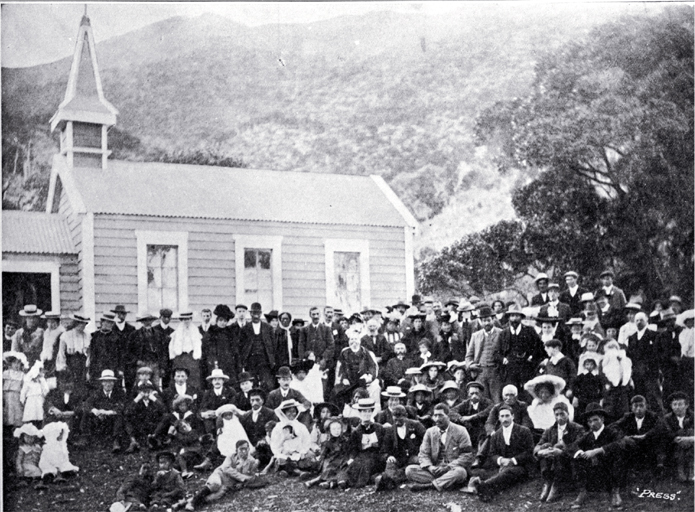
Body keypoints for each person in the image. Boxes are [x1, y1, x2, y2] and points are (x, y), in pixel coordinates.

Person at [466, 405, 535, 502]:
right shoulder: (496, 435)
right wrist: (501, 460)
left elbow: (529, 452)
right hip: (503, 466)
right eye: (502, 416)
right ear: (498, 418)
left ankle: (483, 486)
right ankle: (486, 486)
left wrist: (512, 461)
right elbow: (492, 454)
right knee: (479, 471)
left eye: (507, 416)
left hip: (521, 466)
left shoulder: (524, 431)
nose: (505, 419)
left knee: (508, 472)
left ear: (513, 416)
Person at [569, 403, 626, 509]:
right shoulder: (588, 435)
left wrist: (597, 451)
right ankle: (583, 491)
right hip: (594, 472)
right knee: (576, 457)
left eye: (595, 420)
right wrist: (582, 453)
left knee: (618, 455)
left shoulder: (611, 432)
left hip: (610, 471)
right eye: (589, 421)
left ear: (602, 419)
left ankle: (615, 492)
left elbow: (621, 443)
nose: (592, 424)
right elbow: (573, 446)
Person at [405, 402, 472, 492]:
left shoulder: (460, 430)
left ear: (448, 416)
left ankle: (429, 485)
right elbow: (423, 453)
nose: (437, 419)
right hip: (435, 470)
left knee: (461, 472)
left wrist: (448, 467)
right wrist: (429, 467)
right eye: (435, 416)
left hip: (452, 468)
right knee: (409, 470)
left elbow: (466, 455)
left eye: (440, 415)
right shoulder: (430, 432)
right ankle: (447, 483)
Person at [186, 439, 264, 510]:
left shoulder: (251, 461)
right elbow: (226, 469)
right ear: (236, 450)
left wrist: (241, 483)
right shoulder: (231, 457)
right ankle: (192, 503)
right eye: (241, 449)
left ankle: (193, 500)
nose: (244, 451)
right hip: (220, 475)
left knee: (214, 497)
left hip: (228, 484)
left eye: (246, 449)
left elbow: (251, 476)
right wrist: (242, 478)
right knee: (215, 484)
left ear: (248, 449)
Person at [533, 402, 585, 503]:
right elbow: (538, 446)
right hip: (550, 463)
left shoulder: (577, 428)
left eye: (562, 414)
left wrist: (561, 451)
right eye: (556, 415)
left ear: (568, 413)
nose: (559, 417)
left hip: (568, 462)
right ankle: (548, 483)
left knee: (557, 454)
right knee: (546, 448)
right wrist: (540, 452)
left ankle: (556, 485)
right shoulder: (550, 430)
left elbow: (578, 445)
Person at [611, 395, 668, 478]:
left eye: (641, 406)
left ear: (646, 406)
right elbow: (613, 427)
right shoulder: (628, 417)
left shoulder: (653, 416)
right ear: (631, 408)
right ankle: (629, 471)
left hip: (648, 445)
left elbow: (661, 427)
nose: (638, 409)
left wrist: (646, 435)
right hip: (633, 445)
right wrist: (624, 437)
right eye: (636, 406)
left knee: (659, 439)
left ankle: (657, 467)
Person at [376, 405, 426, 491]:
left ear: (406, 415)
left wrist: (422, 452)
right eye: (395, 417)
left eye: (400, 417)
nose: (397, 420)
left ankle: (389, 479)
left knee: (419, 463)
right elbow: (383, 450)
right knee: (390, 464)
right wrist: (388, 456)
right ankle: (388, 480)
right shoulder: (390, 430)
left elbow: (427, 439)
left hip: (414, 456)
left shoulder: (416, 425)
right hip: (399, 459)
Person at [499, 304, 543, 395]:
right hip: (510, 368)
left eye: (517, 316)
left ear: (521, 317)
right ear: (509, 318)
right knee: (511, 392)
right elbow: (497, 352)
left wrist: (531, 357)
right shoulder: (503, 333)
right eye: (512, 316)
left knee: (526, 392)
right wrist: (503, 359)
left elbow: (539, 348)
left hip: (526, 366)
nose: (514, 319)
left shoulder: (529, 331)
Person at [344, 398, 387, 488]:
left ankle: (374, 478)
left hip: (376, 455)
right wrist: (351, 458)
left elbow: (384, 444)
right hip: (362, 455)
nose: (366, 414)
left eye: (368, 411)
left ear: (372, 412)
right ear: (360, 413)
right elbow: (354, 448)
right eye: (364, 412)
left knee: (368, 464)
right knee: (355, 466)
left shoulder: (379, 428)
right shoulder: (356, 431)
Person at [333, 328, 379, 411]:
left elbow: (373, 367)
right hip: (349, 380)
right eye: (351, 339)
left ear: (360, 341)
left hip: (362, 380)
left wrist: (369, 376)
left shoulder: (366, 352)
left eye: (356, 339)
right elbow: (340, 368)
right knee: (337, 392)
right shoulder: (344, 352)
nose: (354, 341)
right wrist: (344, 378)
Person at [80, 369, 126, 452]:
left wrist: (107, 412)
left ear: (114, 382)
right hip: (99, 420)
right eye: (105, 381)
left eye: (111, 381)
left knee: (119, 416)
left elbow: (121, 406)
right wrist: (95, 410)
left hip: (112, 420)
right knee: (86, 413)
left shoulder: (119, 392)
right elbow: (87, 403)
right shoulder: (97, 392)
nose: (108, 384)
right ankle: (85, 438)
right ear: (102, 383)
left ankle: (116, 441)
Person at [464, 306, 503, 403]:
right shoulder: (476, 336)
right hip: (480, 372)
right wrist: (471, 365)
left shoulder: (501, 333)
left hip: (496, 372)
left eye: (489, 320)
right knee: (482, 400)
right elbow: (468, 356)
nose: (487, 323)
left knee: (496, 399)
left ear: (493, 319)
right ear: (480, 321)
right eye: (484, 321)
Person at [627, 312, 663, 414]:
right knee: (640, 397)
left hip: (650, 372)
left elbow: (656, 354)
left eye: (641, 320)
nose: (639, 322)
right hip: (637, 373)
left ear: (646, 320)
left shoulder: (653, 335)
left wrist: (651, 367)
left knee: (654, 397)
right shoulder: (632, 337)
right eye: (637, 320)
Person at [125, 313, 168, 393]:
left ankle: (153, 403)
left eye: (149, 320)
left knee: (155, 387)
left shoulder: (158, 334)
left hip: (155, 364)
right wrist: (136, 361)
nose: (148, 322)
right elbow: (128, 352)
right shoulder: (135, 335)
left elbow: (163, 352)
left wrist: (162, 367)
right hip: (142, 364)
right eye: (145, 320)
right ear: (142, 322)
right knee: (140, 386)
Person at [270, 399, 314, 476]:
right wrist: (284, 439)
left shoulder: (300, 426)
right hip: (284, 452)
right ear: (284, 413)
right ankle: (296, 471)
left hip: (298, 452)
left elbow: (306, 441)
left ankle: (289, 470)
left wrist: (302, 451)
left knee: (309, 457)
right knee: (281, 460)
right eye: (289, 412)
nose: (292, 414)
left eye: (294, 411)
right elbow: (274, 445)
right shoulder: (278, 427)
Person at [305, 417, 350, 489]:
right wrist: (320, 465)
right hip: (331, 461)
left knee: (343, 470)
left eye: (338, 428)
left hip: (342, 461)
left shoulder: (345, 441)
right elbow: (323, 455)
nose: (336, 431)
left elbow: (348, 451)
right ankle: (313, 481)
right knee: (330, 470)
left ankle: (330, 483)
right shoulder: (327, 443)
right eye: (334, 429)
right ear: (329, 430)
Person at [240, 303, 277, 391]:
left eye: (258, 313)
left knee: (267, 383)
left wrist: (272, 359)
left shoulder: (268, 328)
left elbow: (273, 345)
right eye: (254, 313)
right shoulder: (245, 329)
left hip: (265, 360)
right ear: (250, 314)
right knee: (252, 382)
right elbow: (241, 346)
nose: (256, 315)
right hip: (250, 360)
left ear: (260, 314)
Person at [124, 379, 167, 453]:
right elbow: (126, 412)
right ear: (139, 392)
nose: (146, 394)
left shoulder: (154, 400)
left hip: (153, 425)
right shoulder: (137, 400)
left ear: (151, 392)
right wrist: (137, 399)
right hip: (141, 425)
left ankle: (154, 437)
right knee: (126, 418)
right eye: (143, 392)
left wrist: (154, 399)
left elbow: (164, 410)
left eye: (148, 392)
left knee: (166, 416)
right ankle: (133, 441)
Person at [452, 381, 494, 451]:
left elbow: (489, 410)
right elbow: (452, 411)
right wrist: (460, 418)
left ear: (481, 393)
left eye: (477, 393)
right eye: (472, 393)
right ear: (468, 394)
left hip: (483, 431)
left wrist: (472, 417)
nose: (474, 396)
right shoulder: (466, 403)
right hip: (469, 431)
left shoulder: (487, 402)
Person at [663, 391, 694, 482]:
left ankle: (692, 471)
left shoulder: (693, 416)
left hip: (692, 444)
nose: (677, 407)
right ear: (671, 406)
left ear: (686, 405)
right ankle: (680, 471)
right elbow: (668, 432)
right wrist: (679, 438)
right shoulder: (667, 418)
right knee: (681, 433)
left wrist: (688, 439)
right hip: (675, 445)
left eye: (680, 404)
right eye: (674, 404)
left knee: (690, 431)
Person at [599, 340, 633, 423]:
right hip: (610, 388)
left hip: (622, 388)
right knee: (610, 409)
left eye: (614, 348)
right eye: (610, 348)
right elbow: (602, 375)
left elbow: (628, 373)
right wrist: (608, 383)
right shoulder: (603, 362)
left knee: (623, 410)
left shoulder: (625, 360)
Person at [205, 305, 239, 387]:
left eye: (225, 321)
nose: (223, 323)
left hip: (228, 363)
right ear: (217, 320)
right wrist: (214, 362)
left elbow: (235, 350)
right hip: (215, 363)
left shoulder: (230, 333)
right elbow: (209, 350)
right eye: (221, 320)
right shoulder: (211, 332)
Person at [168, 312, 203, 389]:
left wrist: (197, 356)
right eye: (184, 319)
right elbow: (172, 345)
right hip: (180, 357)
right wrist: (174, 356)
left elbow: (198, 344)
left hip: (191, 357)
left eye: (188, 319)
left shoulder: (195, 330)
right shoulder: (178, 331)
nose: (186, 321)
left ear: (191, 319)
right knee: (179, 376)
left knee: (193, 377)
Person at [90, 312, 124, 386]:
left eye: (111, 322)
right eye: (107, 322)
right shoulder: (95, 336)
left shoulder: (117, 337)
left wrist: (121, 369)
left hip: (113, 367)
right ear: (102, 322)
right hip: (98, 367)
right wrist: (90, 370)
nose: (109, 324)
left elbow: (121, 355)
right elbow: (92, 354)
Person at [198, 369, 235, 435]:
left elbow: (232, 405)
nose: (217, 382)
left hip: (226, 417)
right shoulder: (208, 393)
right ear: (212, 382)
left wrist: (218, 412)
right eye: (215, 380)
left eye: (219, 379)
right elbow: (203, 407)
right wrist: (207, 413)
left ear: (223, 381)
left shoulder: (230, 391)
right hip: (212, 421)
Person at [571, 352, 603, 416]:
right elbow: (575, 386)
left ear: (594, 365)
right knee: (582, 412)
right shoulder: (581, 376)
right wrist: (576, 396)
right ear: (584, 365)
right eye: (587, 364)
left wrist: (600, 397)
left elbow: (601, 388)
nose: (589, 366)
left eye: (591, 364)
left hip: (593, 398)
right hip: (582, 398)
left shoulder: (597, 377)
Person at [3, 351, 28, 430]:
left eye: (19, 363)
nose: (17, 365)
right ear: (10, 364)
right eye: (15, 363)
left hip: (17, 394)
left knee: (17, 410)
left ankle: (17, 426)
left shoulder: (21, 374)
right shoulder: (6, 373)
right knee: (8, 410)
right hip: (7, 394)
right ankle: (7, 428)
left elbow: (24, 386)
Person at [20, 360, 49, 426]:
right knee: (31, 416)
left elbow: (46, 389)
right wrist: (22, 400)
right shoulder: (28, 381)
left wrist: (44, 396)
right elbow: (23, 391)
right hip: (31, 400)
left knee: (39, 416)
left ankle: (38, 430)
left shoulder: (42, 380)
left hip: (39, 399)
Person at [39, 311, 64, 379]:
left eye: (53, 322)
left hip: (55, 361)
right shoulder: (46, 332)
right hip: (46, 361)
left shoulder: (61, 334)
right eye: (49, 322)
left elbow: (58, 351)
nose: (50, 325)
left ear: (58, 322)